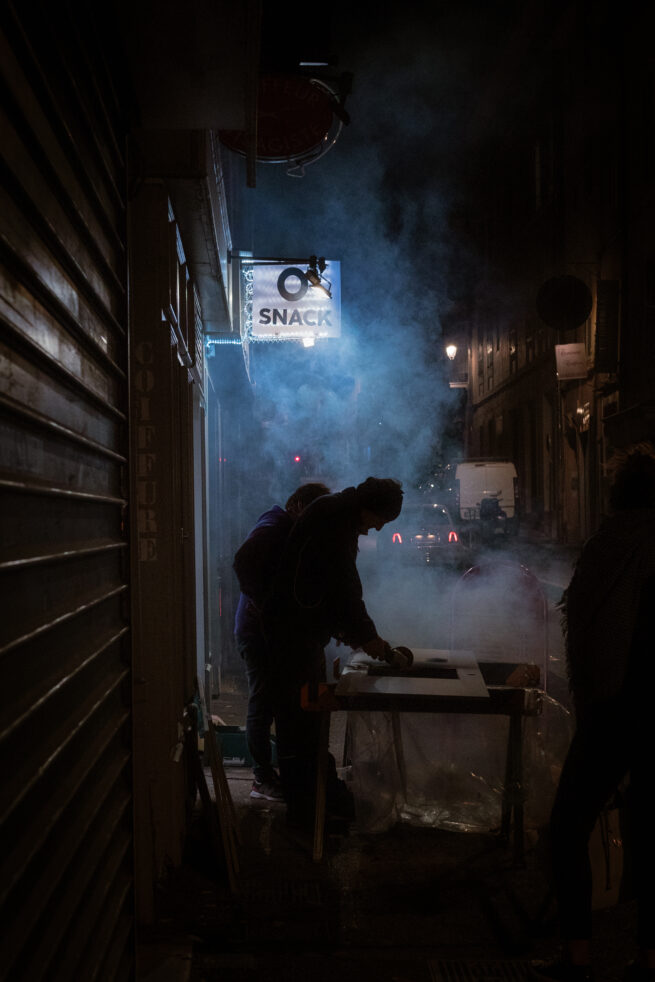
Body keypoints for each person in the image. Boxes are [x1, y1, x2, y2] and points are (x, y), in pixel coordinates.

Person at [530, 444, 655, 982]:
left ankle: (578, 957)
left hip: (615, 708)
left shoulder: (612, 546)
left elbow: (590, 632)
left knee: (568, 828)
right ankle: (648, 960)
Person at [262, 476, 404, 827]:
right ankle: (306, 816)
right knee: (300, 724)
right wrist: (367, 637)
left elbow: (326, 584)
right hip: (292, 636)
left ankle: (318, 802)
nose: (377, 530)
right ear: (369, 509)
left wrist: (342, 628)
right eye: (380, 521)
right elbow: (345, 586)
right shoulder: (336, 520)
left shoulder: (334, 512)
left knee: (306, 723)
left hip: (299, 631)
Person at [233, 482, 330, 801]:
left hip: (271, 633)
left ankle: (289, 772)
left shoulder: (290, 529)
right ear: (299, 506)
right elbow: (243, 562)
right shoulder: (275, 525)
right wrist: (265, 609)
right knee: (262, 702)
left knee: (277, 700)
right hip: (256, 634)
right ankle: (261, 780)